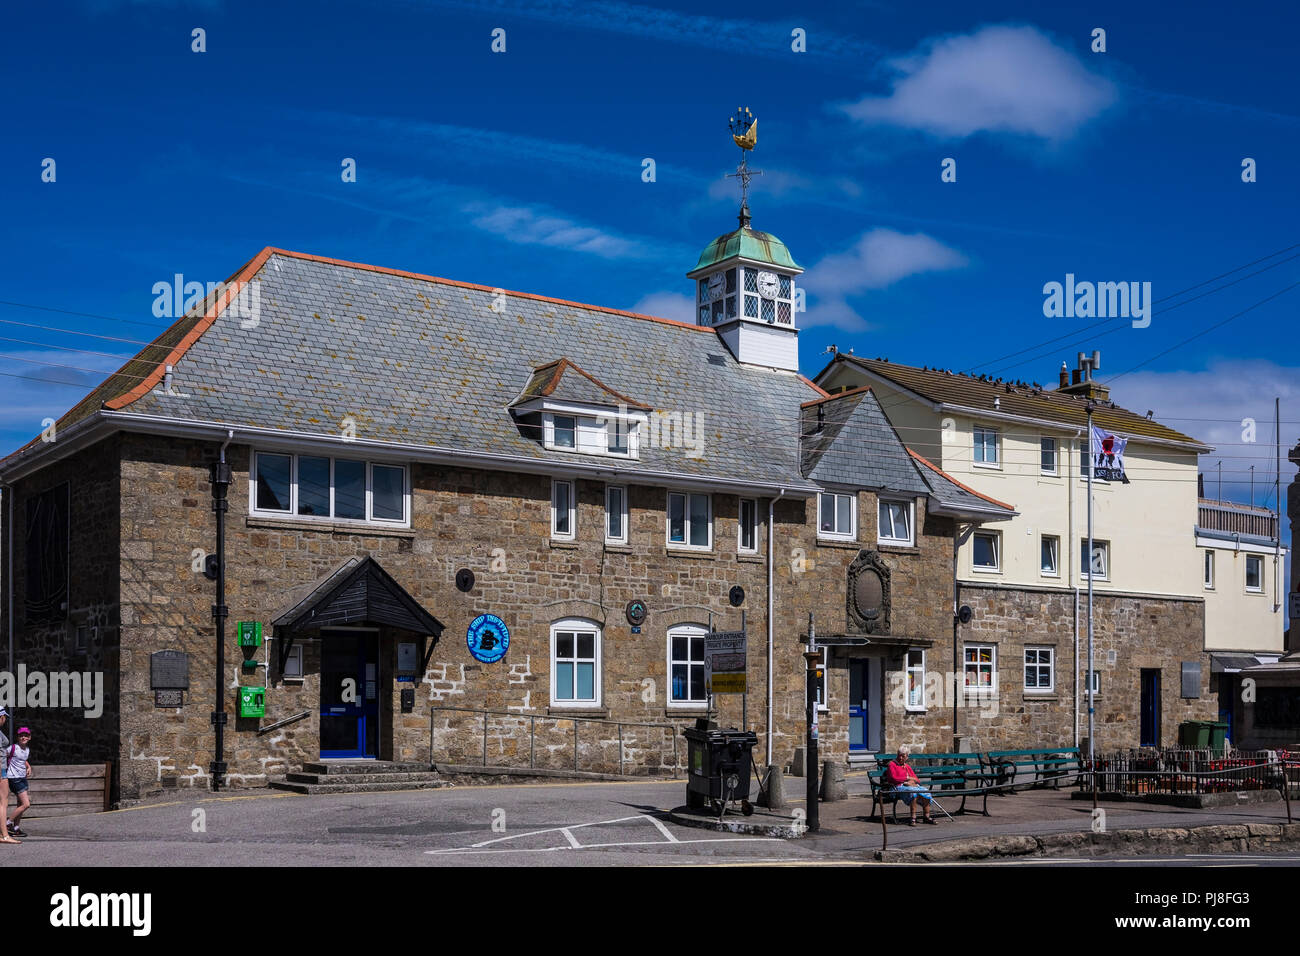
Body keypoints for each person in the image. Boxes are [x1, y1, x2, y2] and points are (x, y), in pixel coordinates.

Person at [886, 744, 936, 825]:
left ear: (907, 757)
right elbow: (894, 778)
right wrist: (907, 778)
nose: (900, 758)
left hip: (909, 786)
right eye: (899, 755)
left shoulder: (907, 766)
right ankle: (913, 817)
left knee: (926, 791)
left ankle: (926, 816)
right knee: (913, 792)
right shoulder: (892, 764)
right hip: (896, 787)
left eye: (903, 756)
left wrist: (911, 782)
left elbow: (917, 780)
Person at [6, 727, 32, 838]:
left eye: (26, 735)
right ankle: (7, 823)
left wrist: (28, 766)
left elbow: (23, 760)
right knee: (26, 804)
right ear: (18, 737)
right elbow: (2, 756)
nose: (23, 737)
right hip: (14, 778)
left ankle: (16, 828)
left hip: (22, 778)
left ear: (29, 737)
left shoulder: (27, 750)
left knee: (20, 804)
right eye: (21, 735)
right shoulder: (12, 748)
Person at [0, 709, 16, 845]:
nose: (5, 720)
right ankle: (5, 835)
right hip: (1, 770)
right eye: (4, 717)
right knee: (3, 802)